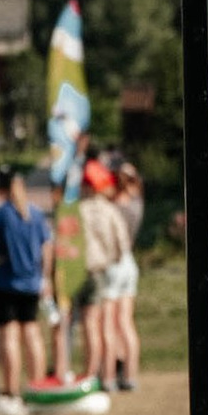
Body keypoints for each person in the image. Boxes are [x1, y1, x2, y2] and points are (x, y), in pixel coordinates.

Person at [0, 167, 51, 415]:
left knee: (9, 335)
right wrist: (45, 277)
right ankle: (38, 383)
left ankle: (11, 388)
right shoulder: (36, 215)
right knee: (31, 332)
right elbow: (47, 246)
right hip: (32, 282)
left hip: (5, 282)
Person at [77, 162, 140, 392]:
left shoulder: (82, 210)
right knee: (126, 323)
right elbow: (122, 242)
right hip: (128, 264)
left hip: (106, 268)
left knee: (105, 326)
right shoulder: (123, 206)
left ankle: (108, 377)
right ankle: (130, 376)